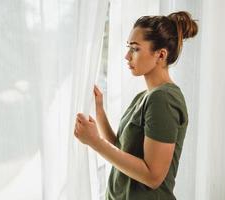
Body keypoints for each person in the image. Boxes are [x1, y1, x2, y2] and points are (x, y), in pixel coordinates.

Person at [74, 11, 198, 200]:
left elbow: (153, 176)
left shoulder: (163, 99)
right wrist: (99, 110)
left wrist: (94, 142)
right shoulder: (145, 97)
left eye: (135, 49)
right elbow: (120, 147)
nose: (127, 56)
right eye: (128, 48)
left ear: (161, 55)